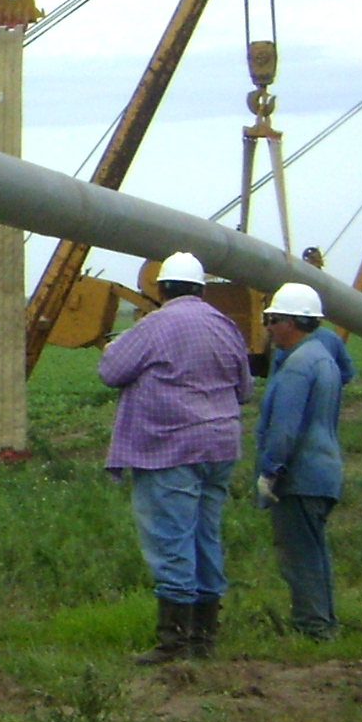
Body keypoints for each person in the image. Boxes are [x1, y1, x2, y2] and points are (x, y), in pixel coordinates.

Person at [96, 251, 253, 662]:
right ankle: (204, 639)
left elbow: (111, 372)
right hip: (220, 445)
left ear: (161, 288)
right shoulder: (224, 325)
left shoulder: (156, 324)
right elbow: (245, 388)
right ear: (201, 288)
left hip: (169, 447)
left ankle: (174, 640)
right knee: (205, 535)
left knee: (170, 539)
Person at [253, 282, 348, 640]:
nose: (269, 328)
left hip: (300, 477)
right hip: (323, 472)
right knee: (315, 552)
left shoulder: (296, 367)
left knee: (299, 557)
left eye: (273, 320)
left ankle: (313, 629)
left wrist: (270, 471)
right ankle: (324, 624)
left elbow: (284, 430)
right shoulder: (322, 358)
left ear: (291, 322)